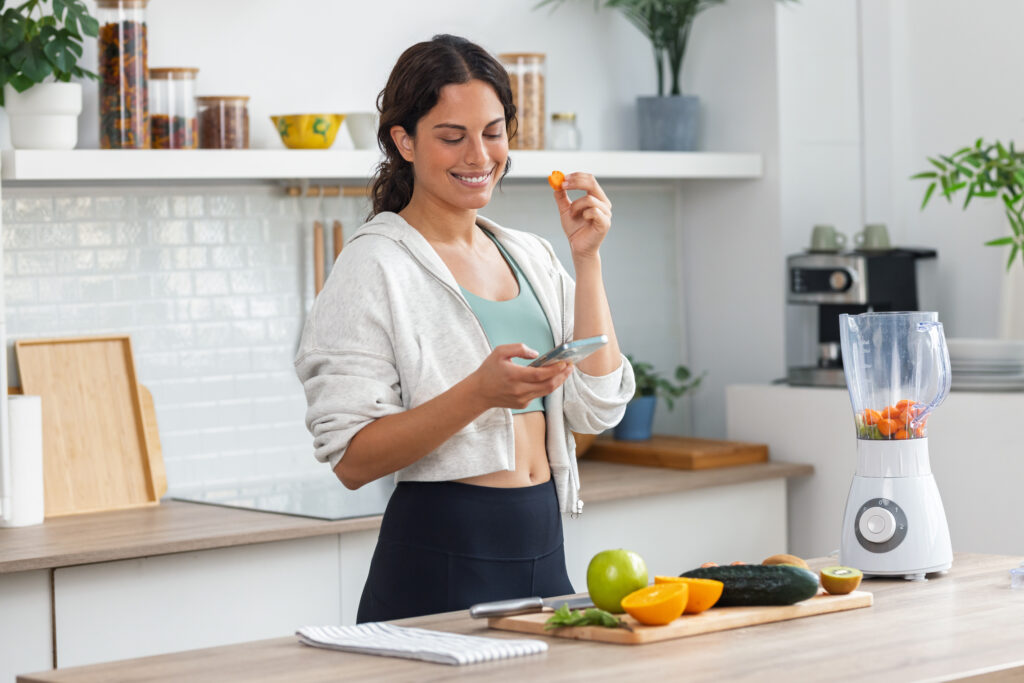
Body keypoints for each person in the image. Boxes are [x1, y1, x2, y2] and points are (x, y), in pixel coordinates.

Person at [295, 34, 635, 623]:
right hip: (437, 556)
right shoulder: (375, 265)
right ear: (404, 141)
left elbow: (600, 407)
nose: (479, 156)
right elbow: (352, 458)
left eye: (493, 132)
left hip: (543, 549)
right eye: (452, 137)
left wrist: (588, 259)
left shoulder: (530, 254)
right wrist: (479, 394)